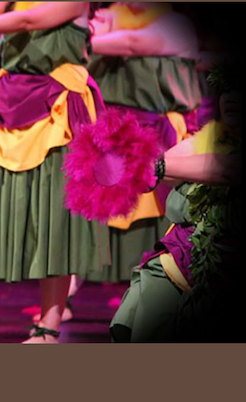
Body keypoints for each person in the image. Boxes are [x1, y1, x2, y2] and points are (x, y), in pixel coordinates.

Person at [0, 2, 108, 343]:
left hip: (58, 112)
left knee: (54, 223)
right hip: (6, 105)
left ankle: (48, 328)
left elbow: (27, 19)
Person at [110, 62, 241, 342]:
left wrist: (157, 166)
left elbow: (224, 168)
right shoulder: (211, 137)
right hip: (181, 259)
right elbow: (166, 164)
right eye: (227, 89)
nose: (231, 97)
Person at [86, 2, 201, 284]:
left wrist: (70, 39)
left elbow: (132, 43)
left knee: (149, 217)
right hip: (107, 133)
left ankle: (148, 289)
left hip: (156, 135)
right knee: (88, 213)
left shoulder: (175, 24)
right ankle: (67, 296)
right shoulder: (109, 17)